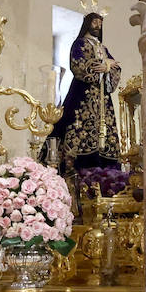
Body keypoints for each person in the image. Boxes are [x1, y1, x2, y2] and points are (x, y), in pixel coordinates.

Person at [44, 12, 121, 172]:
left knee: (106, 135)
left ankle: (106, 175)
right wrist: (101, 65)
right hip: (82, 94)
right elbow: (77, 64)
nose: (98, 26)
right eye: (95, 22)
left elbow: (115, 66)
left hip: (102, 99)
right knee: (76, 127)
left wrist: (106, 66)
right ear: (87, 23)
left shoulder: (103, 48)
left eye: (100, 23)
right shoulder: (79, 44)